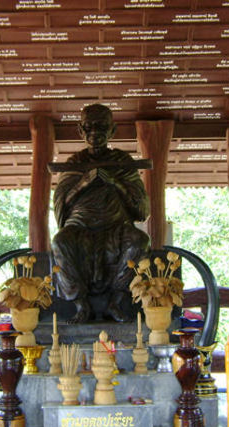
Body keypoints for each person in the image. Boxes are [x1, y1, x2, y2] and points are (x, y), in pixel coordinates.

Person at [51, 104, 150, 323]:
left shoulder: (122, 162)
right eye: (89, 127)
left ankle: (117, 300)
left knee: (139, 241)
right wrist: (83, 183)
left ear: (112, 130)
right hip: (80, 225)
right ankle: (80, 304)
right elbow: (62, 205)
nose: (95, 132)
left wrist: (114, 182)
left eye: (102, 127)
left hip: (116, 226)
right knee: (60, 242)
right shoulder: (75, 163)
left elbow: (140, 209)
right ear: (81, 130)